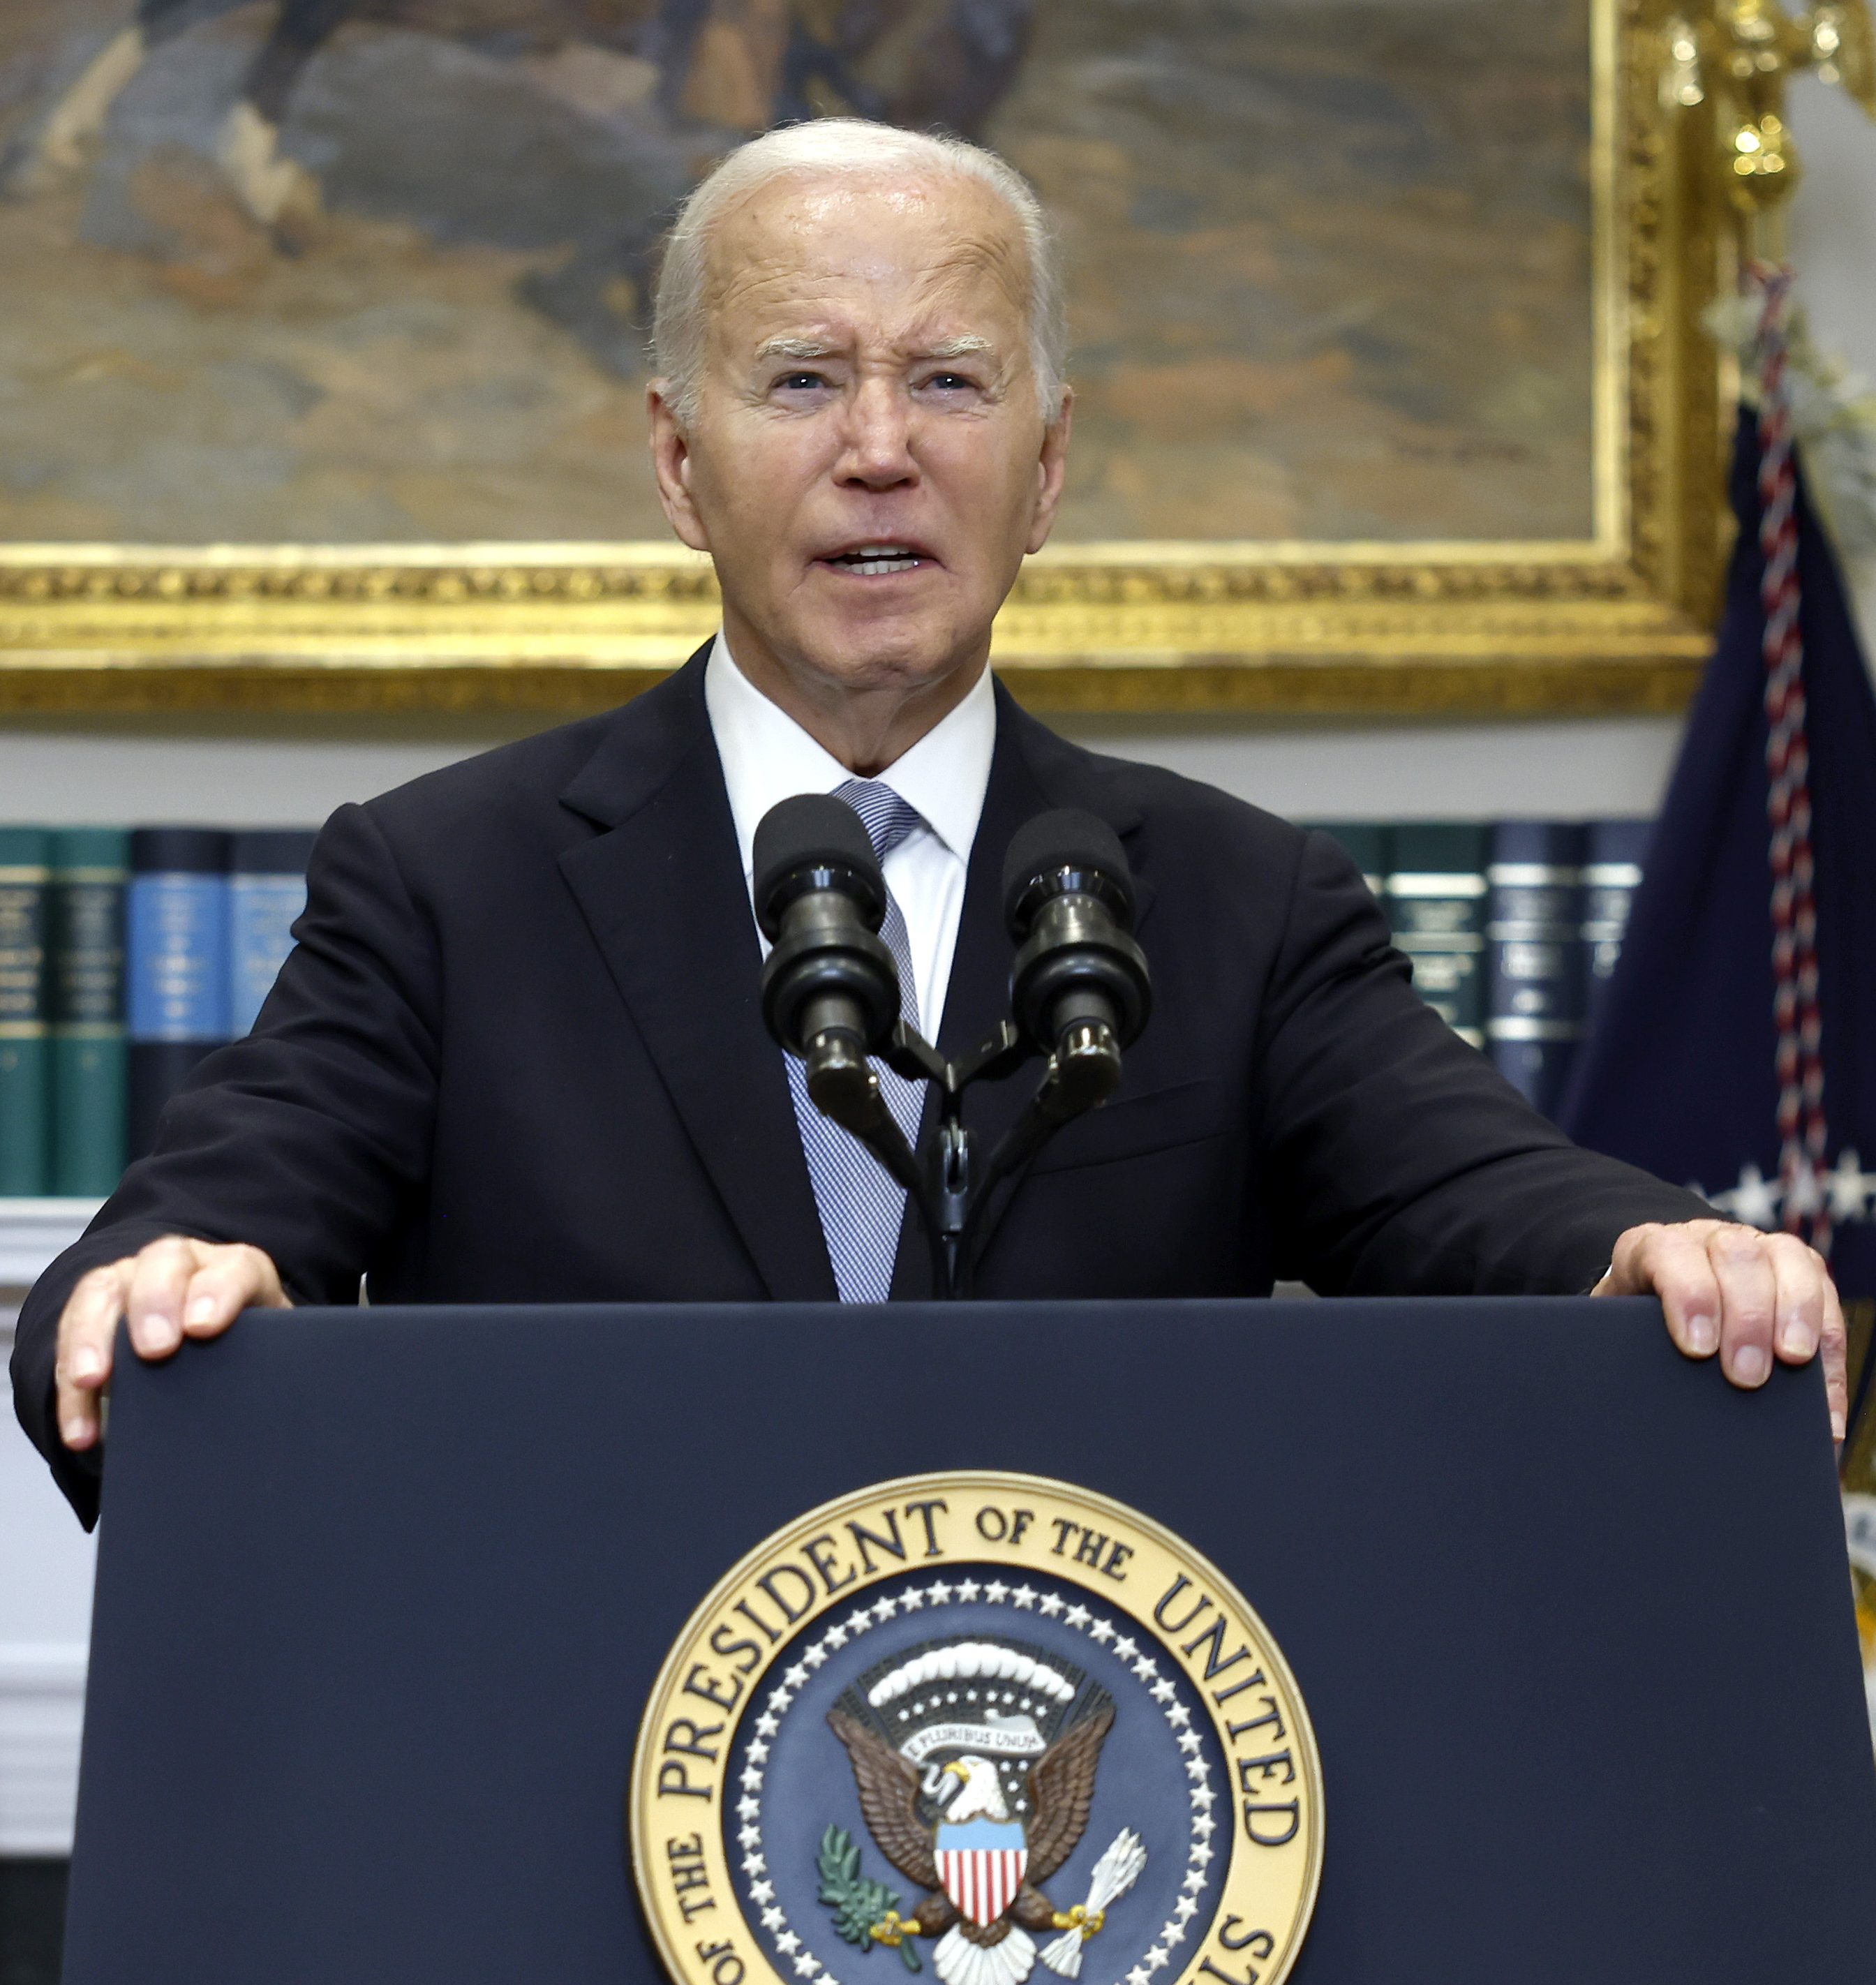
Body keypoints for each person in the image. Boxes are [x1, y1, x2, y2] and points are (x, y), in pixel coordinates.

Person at [10, 119, 1846, 1529]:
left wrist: (1652, 1251)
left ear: (1044, 469)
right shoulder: (447, 885)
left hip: (1087, 1865)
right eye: (802, 379)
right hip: (577, 1834)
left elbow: (1485, 1194)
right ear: (679, 463)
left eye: (950, 381)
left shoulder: (1233, 900)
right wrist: (160, 1293)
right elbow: (181, 1241)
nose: (878, 447)